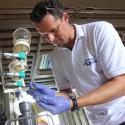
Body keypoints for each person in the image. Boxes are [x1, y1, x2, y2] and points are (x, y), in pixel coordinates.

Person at [29, 0, 125, 125]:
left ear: (65, 17)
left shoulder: (99, 31)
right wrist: (54, 95)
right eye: (44, 35)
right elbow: (67, 92)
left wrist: (74, 103)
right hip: (98, 122)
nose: (50, 39)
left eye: (53, 30)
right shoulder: (55, 56)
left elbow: (122, 83)